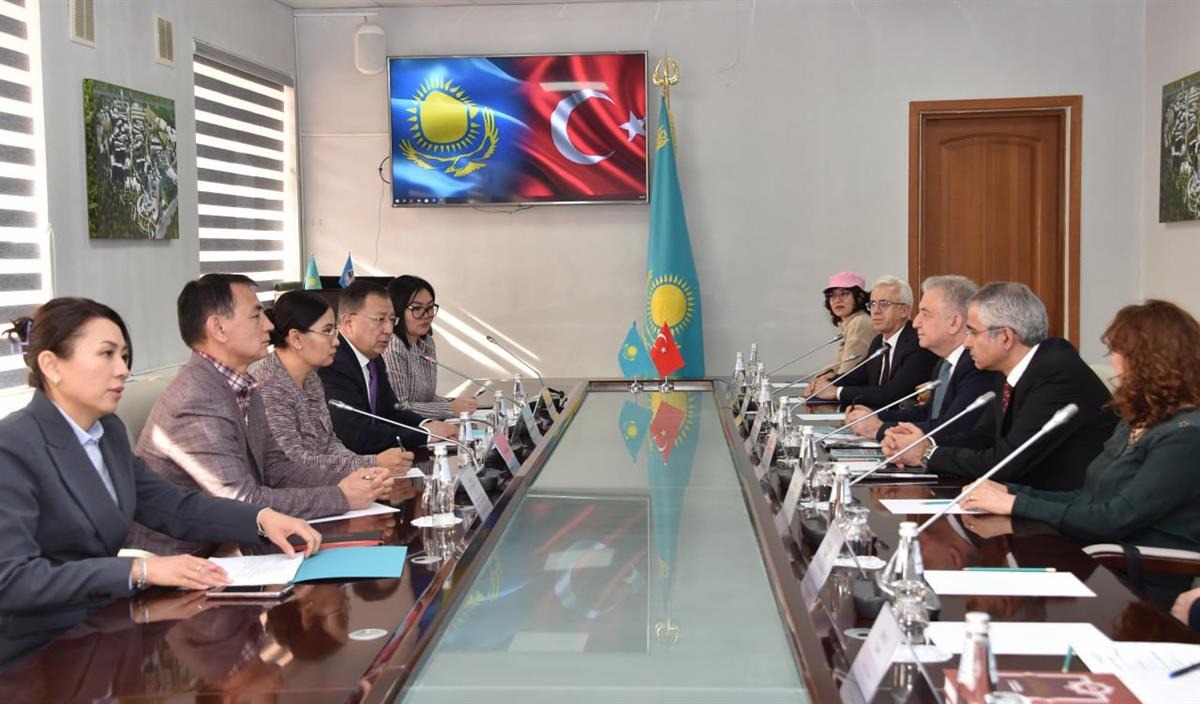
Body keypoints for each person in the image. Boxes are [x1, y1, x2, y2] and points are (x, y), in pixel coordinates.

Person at [0, 297, 321, 619]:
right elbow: (11, 580)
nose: (123, 370)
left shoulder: (107, 431)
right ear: (51, 366)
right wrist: (139, 570)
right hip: (42, 636)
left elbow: (173, 506)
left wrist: (260, 519)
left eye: (124, 356)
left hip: (104, 619)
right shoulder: (12, 446)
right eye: (106, 354)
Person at [128, 274, 390, 556]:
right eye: (256, 316)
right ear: (218, 328)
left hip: (233, 547)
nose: (269, 325)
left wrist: (349, 480)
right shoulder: (197, 398)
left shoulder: (242, 386)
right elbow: (242, 501)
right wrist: (340, 497)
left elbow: (278, 469)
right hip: (181, 561)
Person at [960, 300, 1200, 550]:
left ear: (1147, 361)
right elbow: (1086, 499)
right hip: (1099, 552)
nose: (1113, 362)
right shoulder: (1135, 422)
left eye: (1117, 351)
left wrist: (1015, 504)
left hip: (1142, 566)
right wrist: (1010, 492)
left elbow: (1114, 519)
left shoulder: (1185, 437)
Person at [885, 282, 1117, 491]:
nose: (967, 343)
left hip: (1066, 507)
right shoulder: (1011, 370)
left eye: (973, 332)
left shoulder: (1056, 375)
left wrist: (927, 454)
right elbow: (982, 437)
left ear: (1006, 337)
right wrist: (922, 444)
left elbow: (1007, 461)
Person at [254, 291, 414, 475]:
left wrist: (365, 472)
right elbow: (294, 462)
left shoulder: (311, 378)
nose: (336, 341)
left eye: (334, 331)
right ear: (296, 338)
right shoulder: (269, 387)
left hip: (325, 483)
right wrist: (372, 463)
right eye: (327, 331)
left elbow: (330, 442)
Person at [845, 275, 998, 443]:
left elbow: (952, 428)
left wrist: (880, 429)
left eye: (925, 314)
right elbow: (928, 413)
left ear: (954, 322)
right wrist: (875, 416)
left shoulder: (977, 366)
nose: (916, 322)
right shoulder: (944, 363)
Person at [320, 280, 457, 455]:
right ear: (348, 322)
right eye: (379, 320)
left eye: (392, 320)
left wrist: (427, 424)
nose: (389, 329)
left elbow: (391, 411)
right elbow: (358, 436)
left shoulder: (373, 358)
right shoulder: (333, 363)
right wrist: (426, 435)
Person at [809, 275, 939, 408]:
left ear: (904, 310)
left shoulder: (918, 343)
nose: (876, 311)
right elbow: (856, 375)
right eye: (872, 304)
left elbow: (891, 395)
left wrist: (837, 392)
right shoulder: (879, 342)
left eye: (883, 304)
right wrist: (824, 384)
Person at [383, 275, 479, 419]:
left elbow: (427, 398)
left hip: (427, 425)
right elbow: (400, 407)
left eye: (429, 307)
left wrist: (456, 403)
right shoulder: (392, 346)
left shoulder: (427, 342)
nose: (426, 315)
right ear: (397, 310)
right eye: (417, 308)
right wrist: (450, 408)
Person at [820, 271, 873, 375]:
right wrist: (823, 376)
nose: (837, 300)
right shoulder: (849, 323)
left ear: (860, 297)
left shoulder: (859, 322)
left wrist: (827, 381)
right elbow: (839, 362)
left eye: (844, 294)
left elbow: (848, 370)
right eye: (832, 295)